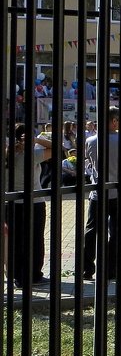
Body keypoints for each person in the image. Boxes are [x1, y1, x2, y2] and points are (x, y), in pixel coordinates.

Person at [4, 123, 51, 289]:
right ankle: (34, 275)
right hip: (33, 201)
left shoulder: (8, 153)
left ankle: (16, 274)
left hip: (12, 202)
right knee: (35, 239)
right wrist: (37, 139)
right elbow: (56, 148)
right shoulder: (32, 153)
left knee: (15, 240)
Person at [83, 107, 120, 281]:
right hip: (117, 192)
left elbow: (89, 163)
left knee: (91, 231)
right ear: (113, 121)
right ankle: (110, 269)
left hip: (97, 192)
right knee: (116, 232)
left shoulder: (90, 141)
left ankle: (87, 268)